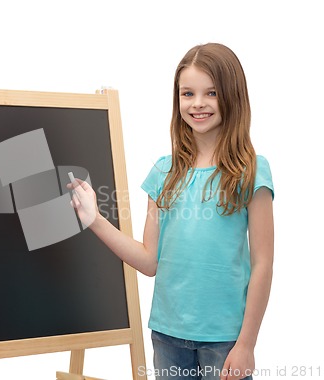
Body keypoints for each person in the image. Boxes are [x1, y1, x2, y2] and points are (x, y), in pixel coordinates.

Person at [68, 42, 274, 380]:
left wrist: (247, 343)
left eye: (211, 93)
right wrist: (95, 220)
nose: (198, 104)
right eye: (187, 93)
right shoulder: (164, 173)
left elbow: (263, 263)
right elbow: (149, 261)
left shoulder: (250, 172)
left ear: (233, 96)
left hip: (224, 340)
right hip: (167, 335)